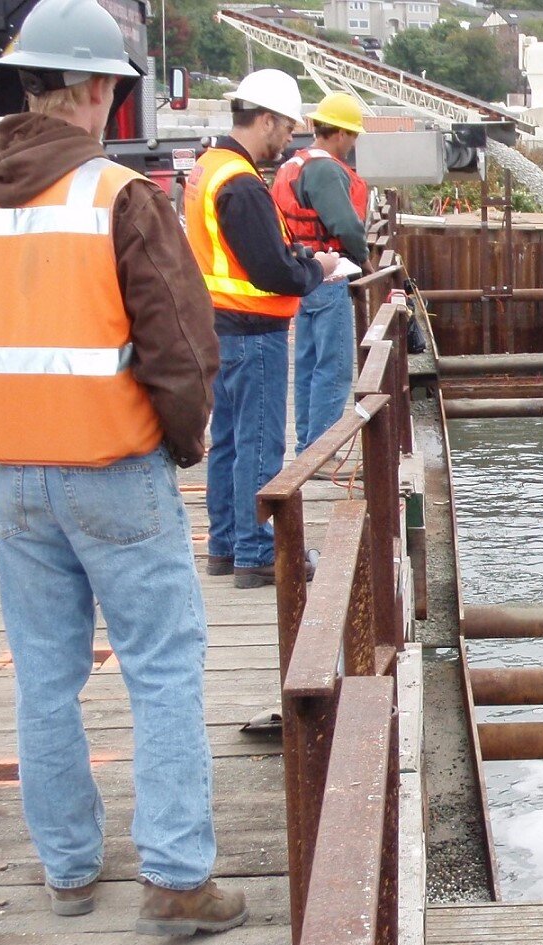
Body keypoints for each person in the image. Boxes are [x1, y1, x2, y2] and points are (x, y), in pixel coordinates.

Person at [0, 0, 245, 933]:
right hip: (113, 464)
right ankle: (176, 874)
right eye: (114, 90)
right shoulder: (117, 195)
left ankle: (69, 869)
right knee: (161, 667)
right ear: (88, 92)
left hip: (15, 478)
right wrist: (183, 445)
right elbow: (182, 346)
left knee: (44, 675)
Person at [183, 68, 337, 588]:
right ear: (265, 118)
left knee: (227, 441)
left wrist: (293, 256)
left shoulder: (210, 168)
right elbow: (271, 272)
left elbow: (242, 254)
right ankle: (256, 552)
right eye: (285, 126)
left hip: (219, 327)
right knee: (260, 444)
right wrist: (318, 269)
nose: (287, 139)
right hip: (254, 333)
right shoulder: (243, 185)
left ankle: (226, 544)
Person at [271, 92, 371, 459]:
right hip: (328, 277)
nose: (353, 144)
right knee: (334, 369)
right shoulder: (326, 168)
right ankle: (321, 455)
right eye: (353, 136)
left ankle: (306, 449)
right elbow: (345, 224)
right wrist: (364, 257)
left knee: (309, 367)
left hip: (302, 276)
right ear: (341, 134)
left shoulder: (291, 164)